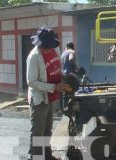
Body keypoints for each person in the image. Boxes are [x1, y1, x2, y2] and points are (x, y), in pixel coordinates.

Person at [27, 26, 71, 160]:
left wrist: (65, 77)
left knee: (47, 129)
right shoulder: (33, 57)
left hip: (51, 96)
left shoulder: (54, 49)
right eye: (46, 46)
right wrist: (54, 87)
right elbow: (32, 82)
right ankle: (35, 157)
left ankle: (46, 155)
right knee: (37, 131)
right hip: (39, 98)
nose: (48, 49)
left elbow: (57, 68)